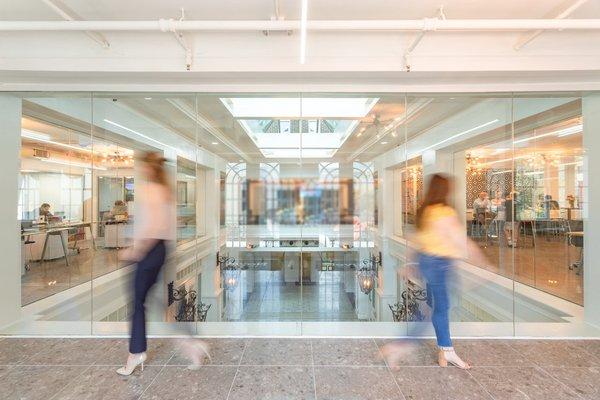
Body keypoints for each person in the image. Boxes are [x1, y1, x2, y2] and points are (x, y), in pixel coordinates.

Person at [116, 152, 210, 376]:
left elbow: (153, 227)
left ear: (148, 168)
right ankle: (192, 343)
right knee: (158, 300)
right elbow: (168, 224)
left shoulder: (152, 191)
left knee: (138, 303)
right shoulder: (166, 191)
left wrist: (135, 250)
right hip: (161, 250)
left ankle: (136, 352)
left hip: (148, 252)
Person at [381, 174, 486, 369]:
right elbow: (460, 239)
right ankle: (410, 347)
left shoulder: (425, 211)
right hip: (440, 264)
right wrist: (481, 260)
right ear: (446, 190)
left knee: (432, 307)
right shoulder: (445, 212)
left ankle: (442, 352)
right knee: (440, 309)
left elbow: (417, 240)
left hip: (427, 261)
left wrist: (411, 263)